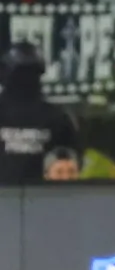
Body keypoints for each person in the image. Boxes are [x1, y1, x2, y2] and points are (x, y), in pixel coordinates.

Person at [0, 41, 79, 185]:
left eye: (30, 73)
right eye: (20, 73)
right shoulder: (59, 117)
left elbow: (70, 169)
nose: (24, 81)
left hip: (46, 201)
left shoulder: (58, 119)